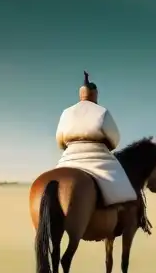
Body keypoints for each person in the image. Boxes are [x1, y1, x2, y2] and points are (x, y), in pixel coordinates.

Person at [56, 71, 139, 212]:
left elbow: (60, 140)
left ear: (80, 94)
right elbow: (114, 139)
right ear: (95, 94)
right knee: (124, 187)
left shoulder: (66, 112)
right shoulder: (102, 112)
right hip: (98, 157)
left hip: (69, 157)